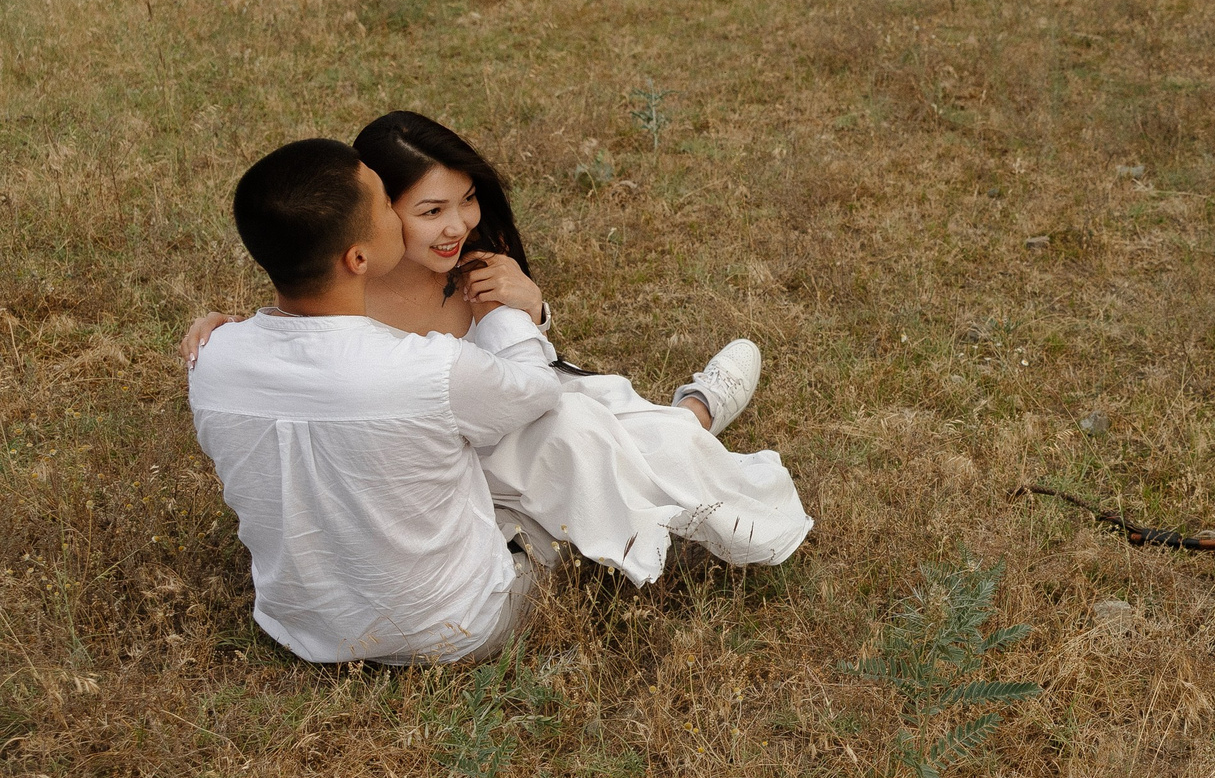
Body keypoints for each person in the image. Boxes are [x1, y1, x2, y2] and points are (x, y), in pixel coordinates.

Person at [186, 113, 812, 587]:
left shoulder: (477, 273)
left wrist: (532, 308)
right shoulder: (349, 288)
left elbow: (536, 371)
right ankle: (688, 420)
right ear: (371, 218)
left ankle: (695, 411)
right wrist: (223, 328)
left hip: (530, 422)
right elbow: (305, 341)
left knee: (613, 435)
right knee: (599, 449)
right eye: (429, 210)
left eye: (467, 200)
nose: (457, 224)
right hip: (443, 464)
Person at [187, 139, 562, 665]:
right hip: (456, 631)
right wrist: (502, 309)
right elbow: (540, 390)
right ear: (357, 257)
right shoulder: (428, 367)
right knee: (565, 480)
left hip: (301, 632)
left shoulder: (210, 358)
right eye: (387, 203)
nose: (398, 212)